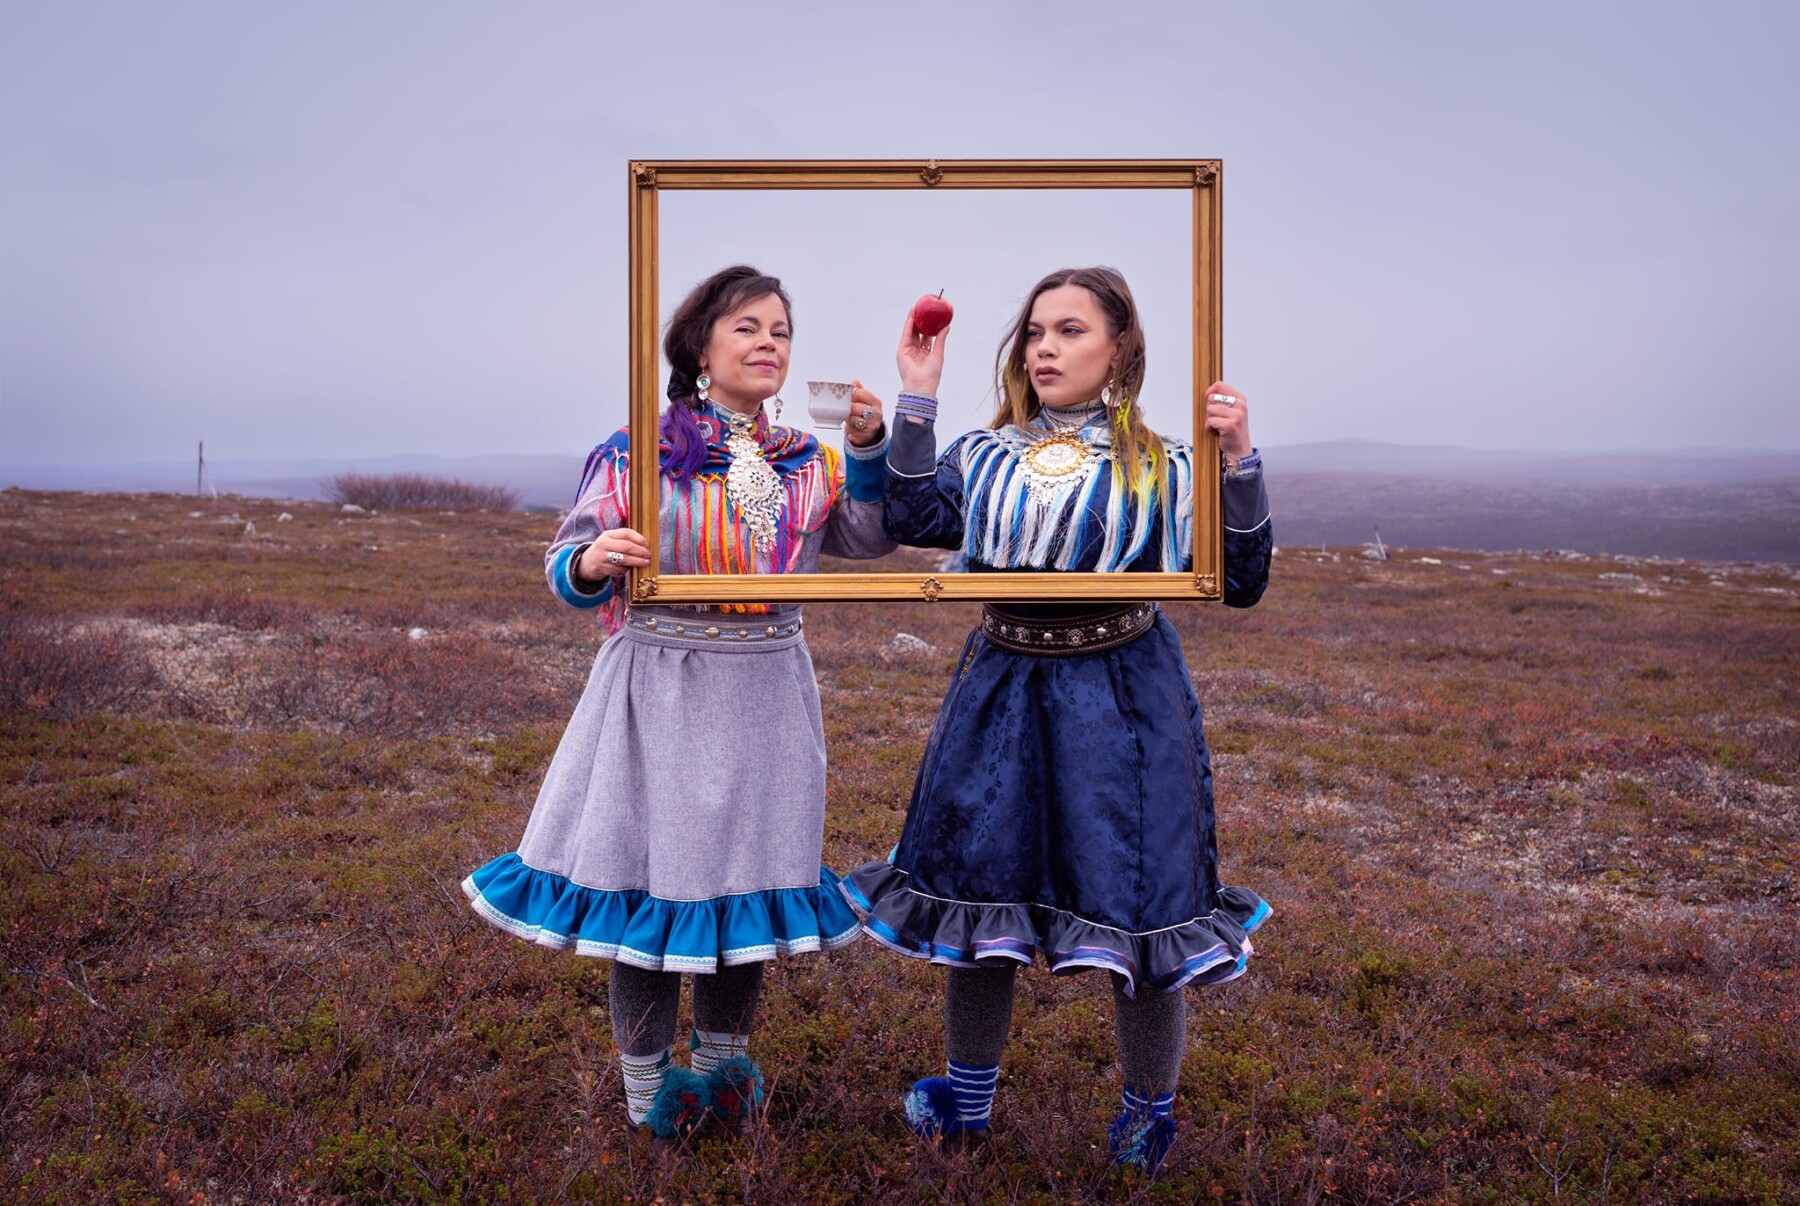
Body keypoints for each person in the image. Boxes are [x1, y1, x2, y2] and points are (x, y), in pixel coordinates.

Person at [841, 266, 1272, 1172]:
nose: (1045, 347)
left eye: (1071, 331)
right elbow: (918, 517)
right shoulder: (988, 453)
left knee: (1146, 907)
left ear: (1119, 349)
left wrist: (1239, 461)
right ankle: (966, 1101)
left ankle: (1148, 1115)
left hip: (1124, 696)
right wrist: (915, 398)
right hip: (1002, 687)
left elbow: (1241, 583)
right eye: (1036, 331)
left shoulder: (1170, 463)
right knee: (978, 891)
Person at [463, 265, 893, 1145]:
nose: (769, 341)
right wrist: (593, 561)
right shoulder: (637, 452)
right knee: (647, 887)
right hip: (658, 687)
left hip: (771, 690)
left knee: (751, 883)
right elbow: (567, 564)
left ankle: (722, 1071)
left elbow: (869, 538)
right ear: (700, 346)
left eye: (780, 329)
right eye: (747, 326)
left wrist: (873, 444)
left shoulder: (804, 461)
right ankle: (647, 1087)